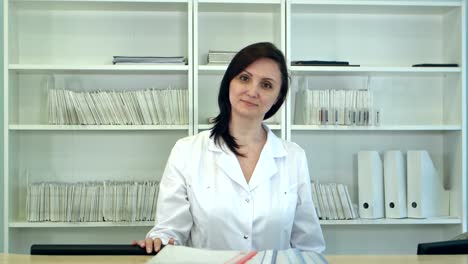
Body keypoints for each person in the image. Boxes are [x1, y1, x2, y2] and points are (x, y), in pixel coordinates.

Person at [132, 42, 325, 253]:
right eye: (244, 78)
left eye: (266, 85)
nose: (252, 91)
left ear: (278, 97)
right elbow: (169, 230)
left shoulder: (294, 157)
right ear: (229, 83)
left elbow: (309, 246)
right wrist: (160, 240)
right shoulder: (187, 151)